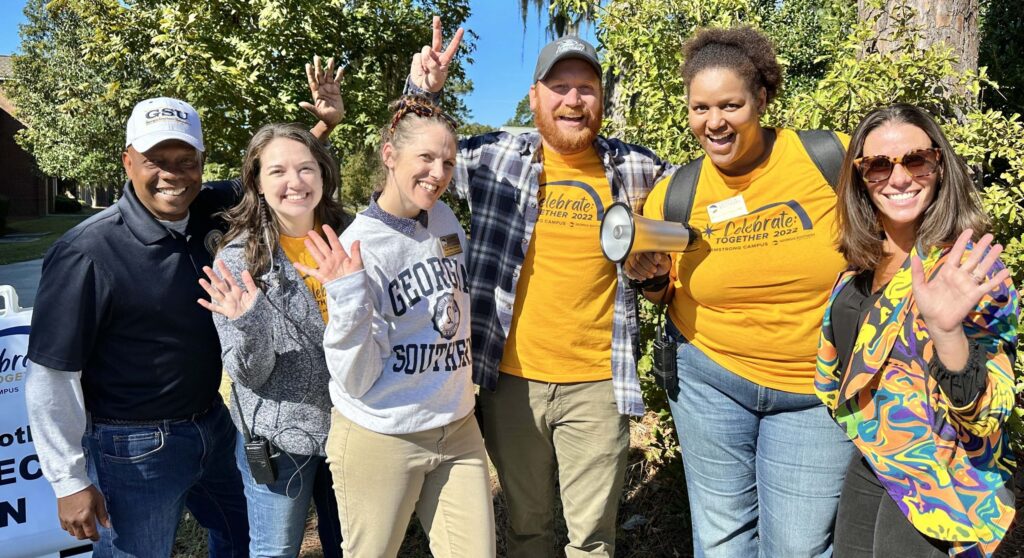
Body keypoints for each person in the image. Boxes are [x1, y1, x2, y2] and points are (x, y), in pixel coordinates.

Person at [24, 58, 342, 555]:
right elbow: (50, 375)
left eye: (185, 159)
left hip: (215, 425)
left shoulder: (208, 205)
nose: (172, 174)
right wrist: (68, 481)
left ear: (201, 161)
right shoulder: (86, 252)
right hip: (132, 447)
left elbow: (283, 176)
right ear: (127, 161)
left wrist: (324, 125)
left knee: (241, 539)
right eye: (155, 159)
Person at [407, 18, 673, 557]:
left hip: (599, 384)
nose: (573, 100)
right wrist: (422, 95)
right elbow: (417, 155)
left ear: (601, 98)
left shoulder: (639, 168)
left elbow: (701, 207)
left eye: (587, 88)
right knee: (527, 528)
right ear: (534, 97)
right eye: (559, 87)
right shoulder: (493, 157)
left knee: (592, 539)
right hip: (511, 382)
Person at [633, 26, 856, 556]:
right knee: (721, 539)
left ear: (761, 98)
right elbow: (665, 292)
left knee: (799, 546)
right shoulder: (675, 192)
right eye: (699, 108)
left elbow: (888, 245)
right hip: (709, 381)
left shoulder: (831, 158)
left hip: (816, 388)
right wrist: (652, 278)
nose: (714, 122)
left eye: (730, 105)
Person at [815, 103, 1018, 558]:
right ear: (859, 179)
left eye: (916, 160)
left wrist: (946, 333)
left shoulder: (968, 270)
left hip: (940, 476)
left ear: (940, 166)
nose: (899, 177)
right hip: (874, 462)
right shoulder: (858, 271)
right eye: (878, 165)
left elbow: (991, 413)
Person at [299, 95, 494, 558]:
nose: (438, 172)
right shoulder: (358, 247)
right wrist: (347, 300)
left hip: (457, 427)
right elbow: (356, 377)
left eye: (447, 161)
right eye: (425, 158)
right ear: (390, 155)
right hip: (383, 435)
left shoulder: (444, 219)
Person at [197, 122, 348, 557]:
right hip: (280, 438)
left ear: (323, 174)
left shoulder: (354, 237)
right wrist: (249, 321)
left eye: (306, 169)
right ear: (257, 183)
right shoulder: (237, 259)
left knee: (355, 544)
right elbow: (251, 374)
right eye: (278, 171)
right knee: (274, 549)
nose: (295, 182)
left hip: (353, 427)